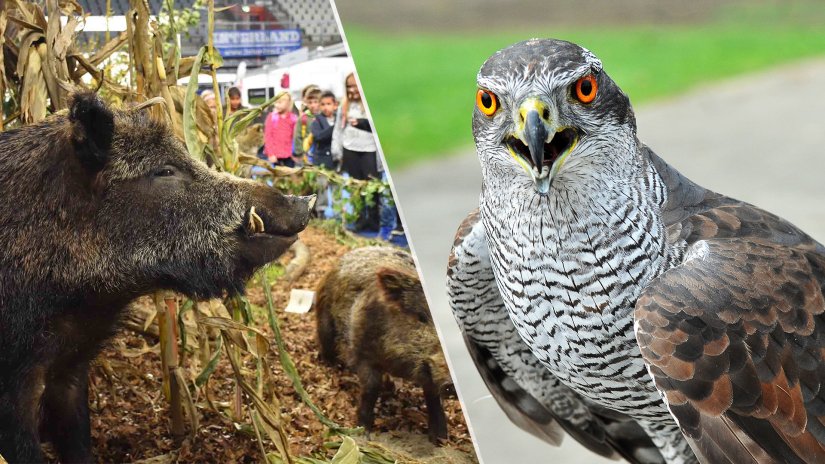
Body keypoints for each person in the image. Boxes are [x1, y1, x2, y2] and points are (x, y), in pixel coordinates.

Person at [264, 93, 298, 167]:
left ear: (288, 103)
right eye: (276, 102)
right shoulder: (272, 117)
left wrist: (296, 153)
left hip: (289, 155)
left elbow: (295, 137)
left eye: (280, 102)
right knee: (278, 176)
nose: (276, 105)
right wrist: (270, 154)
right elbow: (268, 137)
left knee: (290, 176)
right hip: (276, 156)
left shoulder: (293, 118)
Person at [309, 91, 337, 170]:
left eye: (328, 104)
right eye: (323, 104)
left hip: (336, 160)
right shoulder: (317, 120)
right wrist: (334, 128)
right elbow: (318, 136)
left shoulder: (339, 118)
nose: (325, 107)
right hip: (322, 160)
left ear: (335, 105)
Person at [294, 87, 322, 163]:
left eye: (315, 102)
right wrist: (299, 153)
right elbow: (297, 136)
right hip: (307, 155)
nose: (313, 105)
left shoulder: (324, 117)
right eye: (310, 102)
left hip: (322, 154)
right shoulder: (303, 118)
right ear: (306, 103)